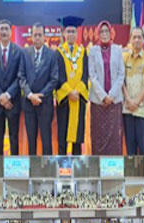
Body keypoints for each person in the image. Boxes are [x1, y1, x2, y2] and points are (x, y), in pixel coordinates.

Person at [18, 22, 58, 155]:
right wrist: (30, 95)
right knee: (31, 141)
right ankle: (33, 167)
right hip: (29, 104)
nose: (37, 38)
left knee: (46, 141)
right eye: (35, 35)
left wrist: (40, 95)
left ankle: (48, 166)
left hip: (45, 104)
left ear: (45, 36)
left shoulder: (52, 54)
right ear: (31, 36)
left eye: (40, 35)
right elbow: (21, 76)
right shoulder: (24, 53)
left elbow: (54, 79)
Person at [88, 20, 124, 155]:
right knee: (98, 137)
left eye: (106, 31)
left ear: (111, 32)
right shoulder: (92, 51)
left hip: (114, 101)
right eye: (101, 31)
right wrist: (103, 96)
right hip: (98, 102)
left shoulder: (118, 50)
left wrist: (111, 95)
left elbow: (121, 74)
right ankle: (97, 165)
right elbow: (92, 75)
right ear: (98, 33)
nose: (104, 34)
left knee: (114, 137)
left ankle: (114, 165)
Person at [0, 19, 23, 155]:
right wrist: (0, 97)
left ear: (11, 31)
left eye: (6, 29)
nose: (4, 32)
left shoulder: (19, 51)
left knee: (14, 139)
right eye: (1, 29)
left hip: (13, 103)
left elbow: (20, 76)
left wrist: (8, 95)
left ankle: (14, 166)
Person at [56, 16, 89, 155]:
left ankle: (77, 165)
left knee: (77, 138)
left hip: (78, 99)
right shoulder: (58, 52)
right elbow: (58, 75)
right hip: (65, 100)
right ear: (64, 33)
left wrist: (77, 92)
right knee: (62, 137)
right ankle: (62, 164)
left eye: (73, 31)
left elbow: (85, 74)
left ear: (77, 34)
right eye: (68, 31)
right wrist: (69, 92)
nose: (70, 34)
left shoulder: (82, 52)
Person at [123, 27, 144, 155]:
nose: (136, 40)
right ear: (130, 39)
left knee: (142, 147)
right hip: (127, 109)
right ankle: (131, 169)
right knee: (130, 148)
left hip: (143, 109)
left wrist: (136, 102)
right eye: (134, 37)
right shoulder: (124, 58)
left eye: (139, 37)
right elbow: (121, 82)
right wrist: (128, 100)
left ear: (143, 40)